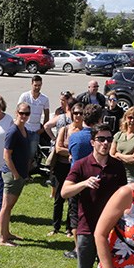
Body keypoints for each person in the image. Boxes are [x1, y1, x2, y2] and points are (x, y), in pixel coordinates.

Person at [60, 125, 127, 268]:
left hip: (113, 229)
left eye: (109, 139)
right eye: (101, 139)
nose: (105, 143)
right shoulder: (82, 164)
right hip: (87, 226)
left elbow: (125, 194)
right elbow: (64, 192)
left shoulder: (117, 166)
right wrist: (84, 183)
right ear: (92, 142)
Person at [49, 100, 86, 237]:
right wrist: (71, 153)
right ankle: (55, 226)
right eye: (75, 113)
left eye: (80, 113)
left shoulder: (85, 132)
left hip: (76, 167)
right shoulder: (64, 130)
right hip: (62, 166)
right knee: (59, 197)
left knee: (73, 198)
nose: (78, 116)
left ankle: (69, 228)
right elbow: (58, 148)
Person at [0, 102, 32, 246]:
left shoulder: (24, 129)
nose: (24, 116)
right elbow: (6, 155)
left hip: (20, 174)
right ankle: (3, 238)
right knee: (6, 207)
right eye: (21, 113)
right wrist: (15, 174)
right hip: (12, 175)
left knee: (9, 207)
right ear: (16, 113)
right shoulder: (13, 131)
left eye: (27, 113)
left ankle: (7, 233)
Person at [17, 75, 51, 169]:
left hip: (36, 130)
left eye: (39, 85)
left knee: (31, 153)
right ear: (31, 84)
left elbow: (47, 115)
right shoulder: (24, 96)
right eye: (35, 85)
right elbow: (18, 112)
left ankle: (27, 172)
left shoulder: (44, 99)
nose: (37, 87)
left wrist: (42, 129)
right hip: (24, 128)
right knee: (21, 151)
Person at [109, 106, 134, 183]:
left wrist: (118, 155)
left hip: (132, 177)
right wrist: (127, 157)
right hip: (116, 174)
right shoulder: (118, 135)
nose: (132, 120)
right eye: (130, 117)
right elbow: (111, 154)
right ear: (125, 118)